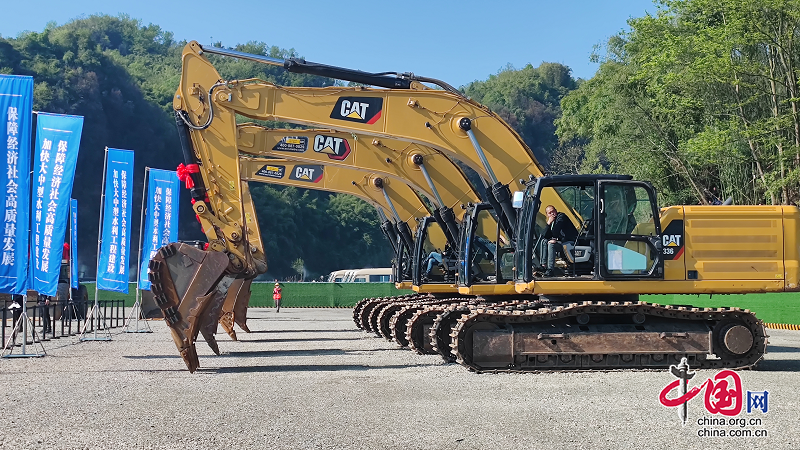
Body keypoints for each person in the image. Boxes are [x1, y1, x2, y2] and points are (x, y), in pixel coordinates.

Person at [541, 205, 578, 277]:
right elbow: (545, 235)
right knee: (544, 241)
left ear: (556, 210)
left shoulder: (561, 217)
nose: (552, 214)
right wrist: (548, 224)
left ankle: (550, 269)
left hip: (569, 241)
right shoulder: (552, 222)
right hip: (562, 242)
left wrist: (554, 239)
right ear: (547, 215)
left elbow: (556, 231)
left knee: (552, 245)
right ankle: (543, 265)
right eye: (549, 213)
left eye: (553, 211)